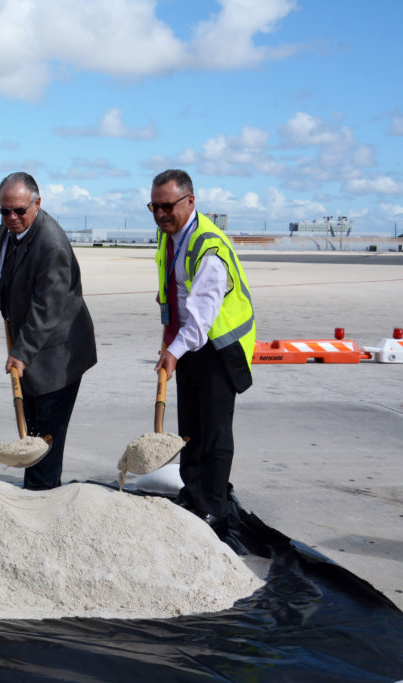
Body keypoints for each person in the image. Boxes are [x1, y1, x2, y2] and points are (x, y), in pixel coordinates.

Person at [150, 169, 255, 533]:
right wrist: (169, 341)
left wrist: (175, 350)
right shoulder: (171, 237)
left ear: (190, 201)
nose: (161, 214)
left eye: (167, 206)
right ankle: (192, 492)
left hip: (220, 347)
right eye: (154, 207)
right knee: (190, 428)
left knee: (213, 430)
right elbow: (173, 294)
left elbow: (202, 319)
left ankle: (213, 505)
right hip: (188, 343)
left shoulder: (208, 246)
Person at [0, 172, 96, 490]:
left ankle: (42, 494)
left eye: (19, 210)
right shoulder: (10, 227)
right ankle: (35, 486)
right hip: (30, 342)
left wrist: (20, 352)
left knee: (46, 434)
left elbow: (47, 307)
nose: (11, 218)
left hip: (58, 355)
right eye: (4, 211)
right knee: (33, 427)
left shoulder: (51, 245)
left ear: (37, 204)